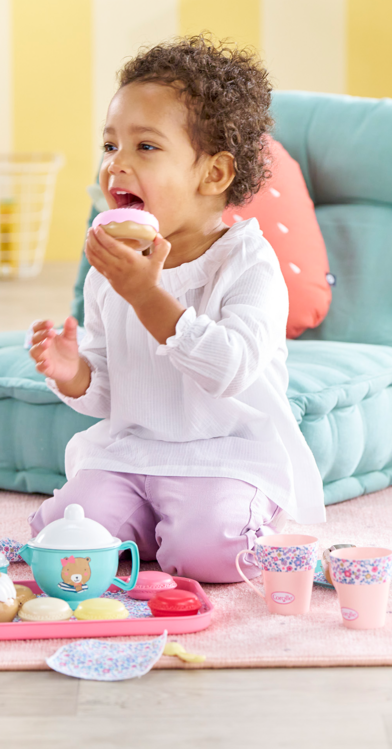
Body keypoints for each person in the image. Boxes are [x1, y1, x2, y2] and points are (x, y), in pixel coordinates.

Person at [28, 35, 325, 583]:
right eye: (111, 145)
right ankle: (148, 527)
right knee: (63, 536)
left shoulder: (248, 264)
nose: (116, 165)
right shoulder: (112, 267)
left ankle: (213, 527)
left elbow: (229, 369)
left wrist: (146, 295)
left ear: (212, 174)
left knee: (210, 554)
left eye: (145, 147)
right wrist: (73, 372)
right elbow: (109, 391)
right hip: (134, 453)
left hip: (226, 457)